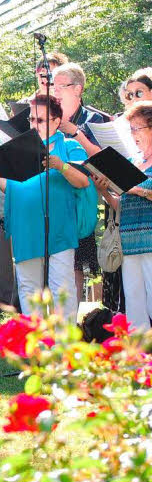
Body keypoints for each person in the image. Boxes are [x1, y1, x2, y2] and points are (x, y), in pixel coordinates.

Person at [0, 96, 90, 320]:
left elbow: (83, 182)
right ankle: (36, 344)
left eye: (40, 119)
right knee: (28, 287)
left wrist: (60, 165)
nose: (34, 124)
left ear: (56, 120)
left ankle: (64, 345)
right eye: (31, 119)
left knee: (61, 288)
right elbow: (13, 189)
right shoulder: (18, 148)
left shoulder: (69, 145)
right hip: (25, 226)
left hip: (59, 226)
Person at [51, 63, 112, 301]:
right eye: (52, 86)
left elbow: (105, 159)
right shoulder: (47, 117)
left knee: (76, 263)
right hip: (53, 197)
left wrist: (75, 132)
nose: (54, 91)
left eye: (61, 86)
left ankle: (72, 319)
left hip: (84, 199)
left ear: (77, 89)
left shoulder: (96, 118)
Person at [93, 101, 152, 330]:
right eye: (131, 129)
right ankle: (140, 359)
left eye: (138, 128)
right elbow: (121, 206)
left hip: (150, 243)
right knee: (135, 307)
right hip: (128, 242)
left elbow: (136, 192)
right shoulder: (132, 162)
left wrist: (136, 188)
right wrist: (104, 190)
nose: (133, 134)